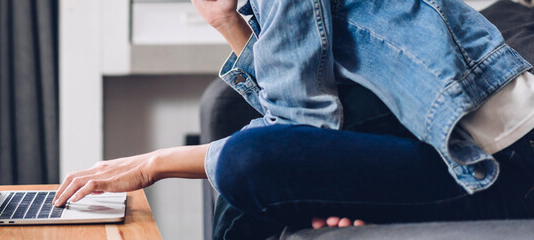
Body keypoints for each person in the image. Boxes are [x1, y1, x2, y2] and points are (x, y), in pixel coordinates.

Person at [54, 0, 534, 238]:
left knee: (245, 166)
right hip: (446, 150)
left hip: (501, 165)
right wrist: (226, 21)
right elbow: (301, 114)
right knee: (248, 187)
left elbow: (300, 127)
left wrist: (153, 165)